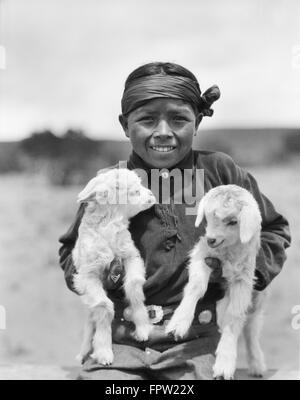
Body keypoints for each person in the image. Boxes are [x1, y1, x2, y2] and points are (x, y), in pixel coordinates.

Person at [58, 62, 291, 380]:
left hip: (195, 345)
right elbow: (71, 251)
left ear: (196, 123)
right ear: (125, 126)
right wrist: (108, 274)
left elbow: (273, 229)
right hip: (119, 344)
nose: (164, 132)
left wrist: (239, 268)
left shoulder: (219, 172)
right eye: (147, 120)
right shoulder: (112, 183)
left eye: (179, 119)